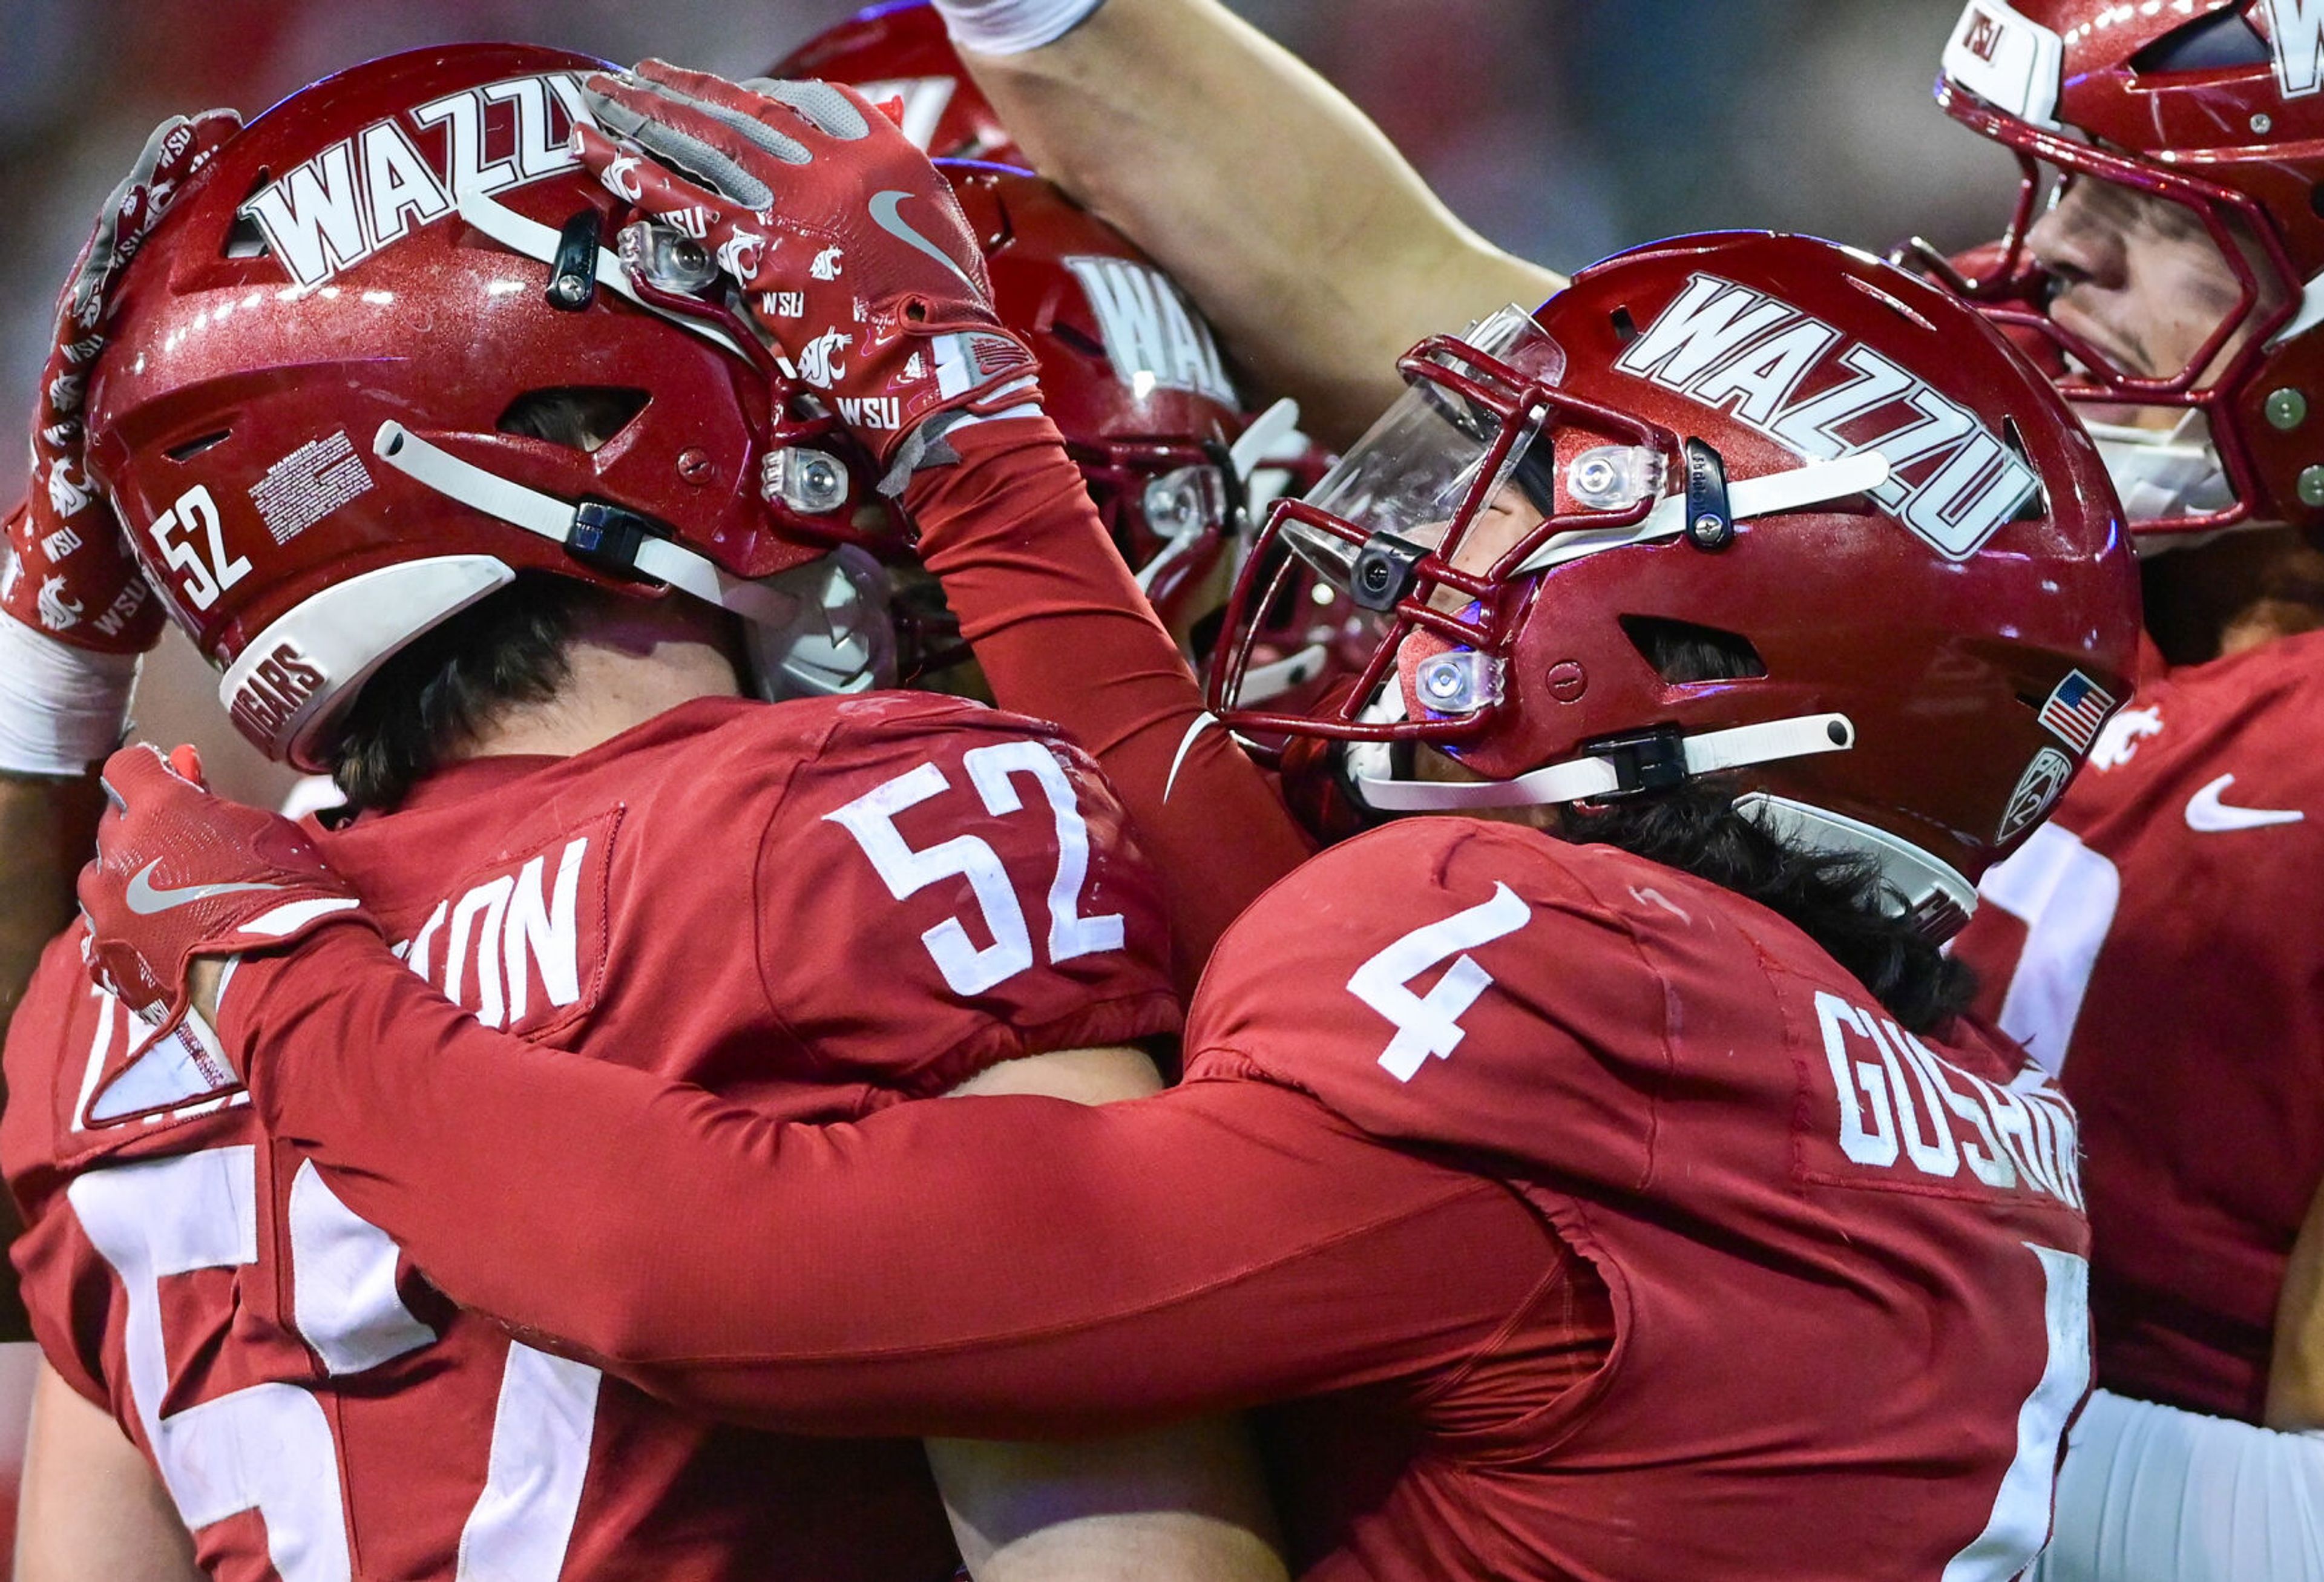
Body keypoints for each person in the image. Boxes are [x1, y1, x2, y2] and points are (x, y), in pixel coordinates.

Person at [78, 70, 2145, 1575]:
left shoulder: (1550, 978)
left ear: (1721, 639)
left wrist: (283, 985)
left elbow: (712, 1267)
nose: (1418, 532)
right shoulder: (1908, 1055)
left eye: (1525, 491)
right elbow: (1264, 950)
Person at [873, 1, 2324, 1572]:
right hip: (1556, 1369)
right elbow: (1384, 277)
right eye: (2056, 186)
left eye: (2166, 219)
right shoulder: (1966, 535)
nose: (2047, 257)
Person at [0, 44, 1291, 1581]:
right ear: (574, 406)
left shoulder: (104, 995)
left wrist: (45, 684)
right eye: (750, 332)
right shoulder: (852, 822)